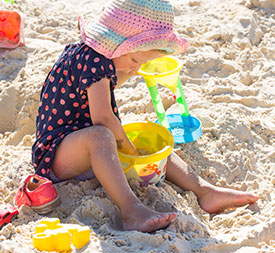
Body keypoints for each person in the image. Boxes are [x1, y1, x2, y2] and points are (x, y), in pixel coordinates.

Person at [31, 0, 258, 233]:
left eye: (143, 62)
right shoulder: (94, 63)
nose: (137, 68)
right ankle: (131, 210)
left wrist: (133, 70)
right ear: (114, 45)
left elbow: (106, 86)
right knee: (104, 135)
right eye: (134, 60)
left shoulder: (93, 56)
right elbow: (104, 119)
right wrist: (130, 151)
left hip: (83, 149)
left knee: (147, 140)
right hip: (56, 155)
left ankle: (205, 191)